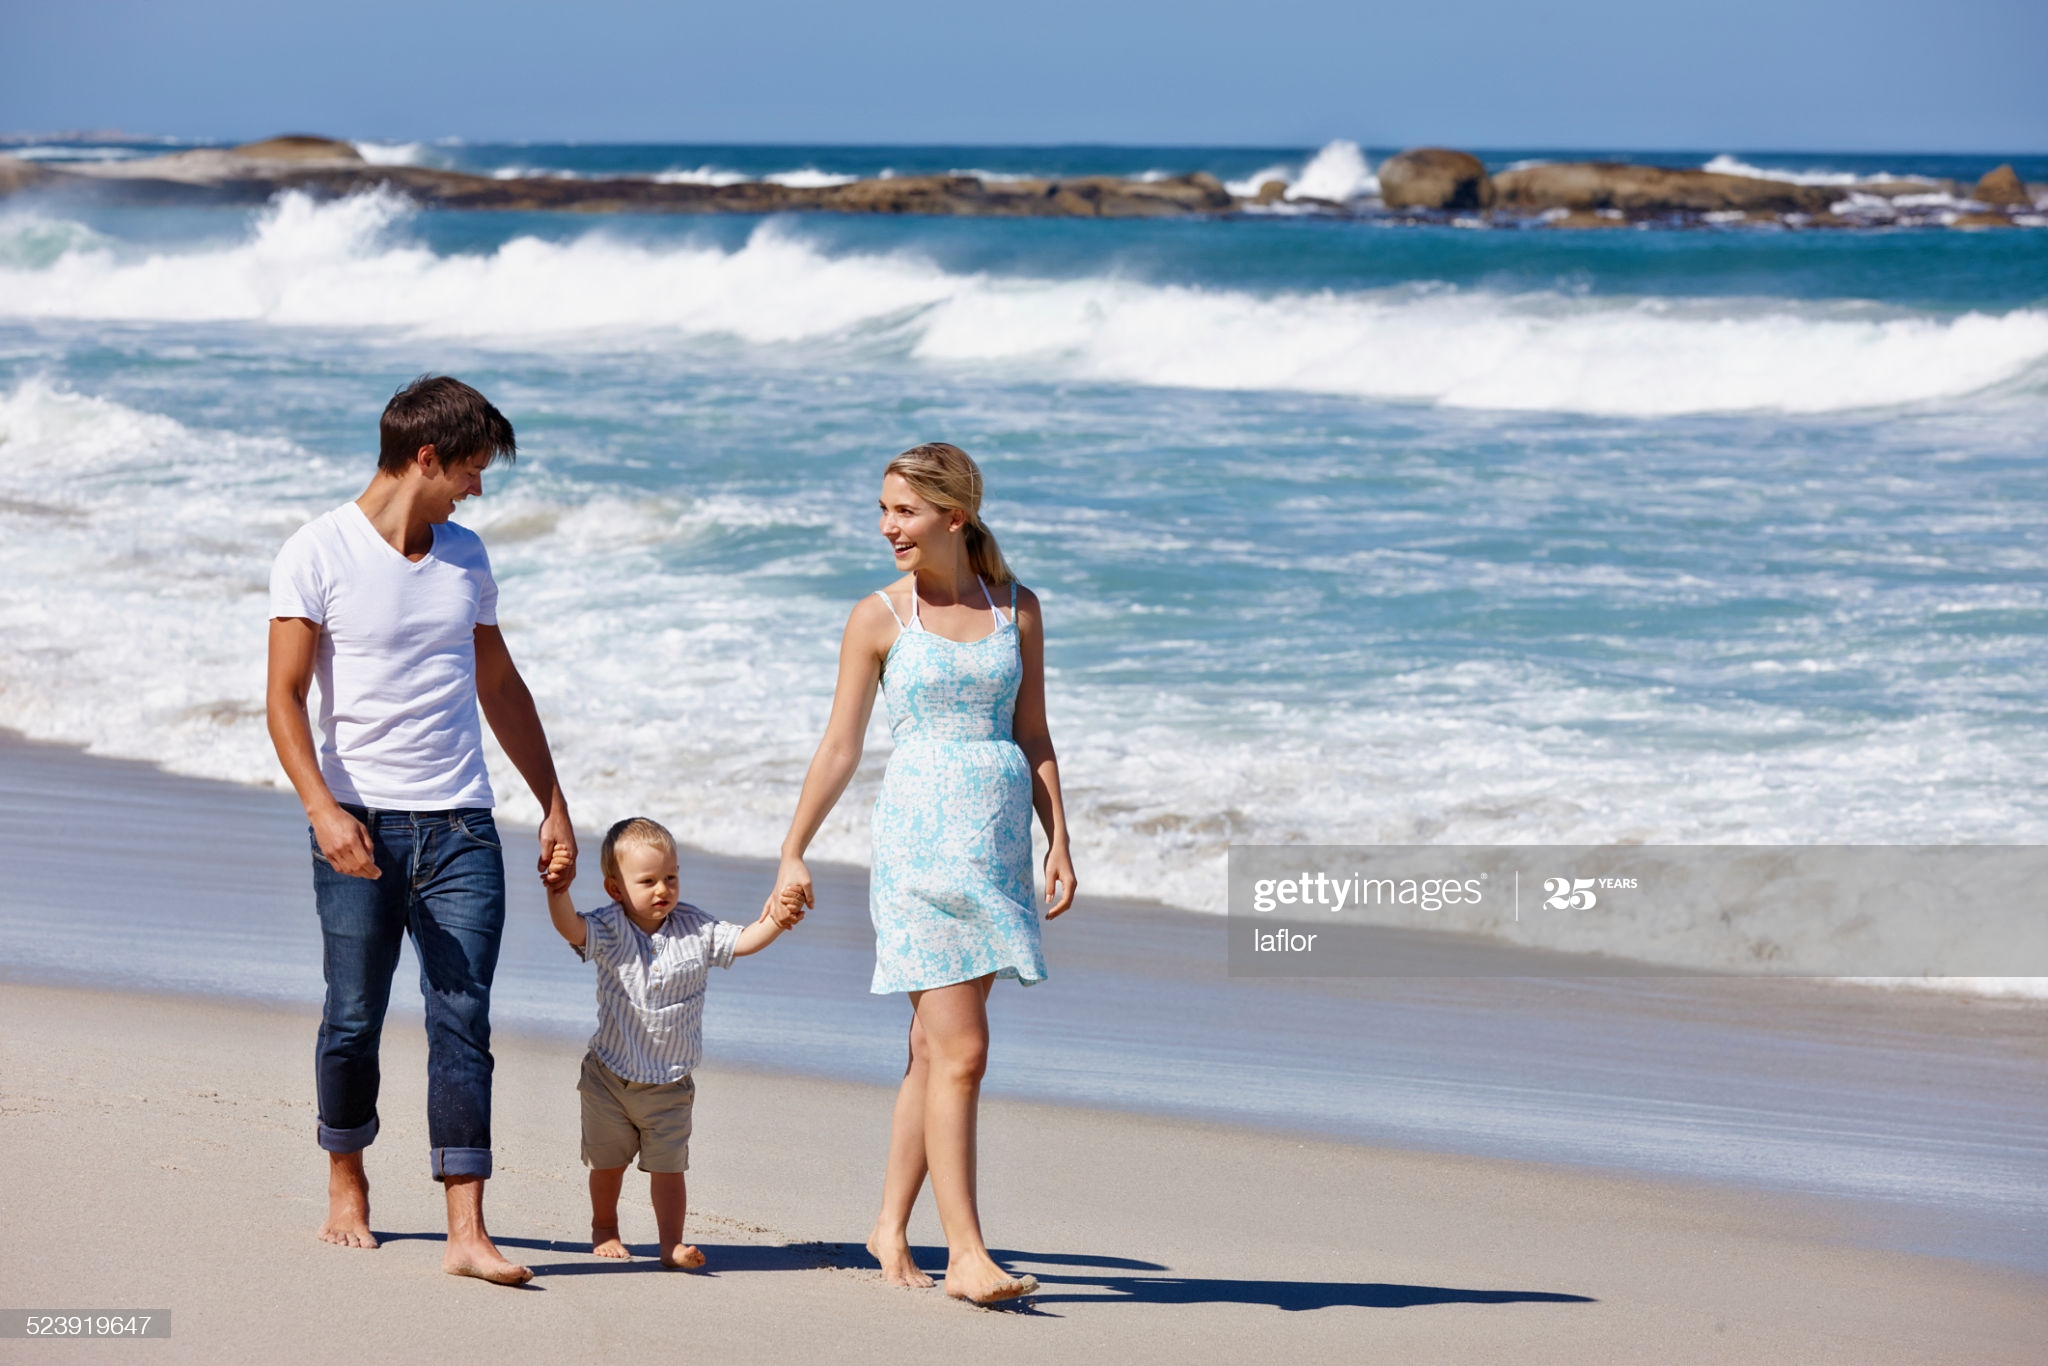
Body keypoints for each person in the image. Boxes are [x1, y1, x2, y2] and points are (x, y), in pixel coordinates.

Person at [265, 374, 576, 1286]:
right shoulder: (315, 552)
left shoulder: (468, 557)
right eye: (472, 470)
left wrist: (552, 798)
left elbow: (500, 685)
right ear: (427, 457)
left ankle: (468, 1229)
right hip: (358, 824)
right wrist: (323, 810)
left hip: (462, 828)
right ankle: (346, 1178)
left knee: (463, 1019)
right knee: (353, 1017)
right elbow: (283, 698)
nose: (477, 490)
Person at [773, 441, 1078, 1305]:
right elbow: (840, 747)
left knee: (931, 1050)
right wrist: (794, 846)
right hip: (918, 852)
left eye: (902, 511)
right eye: (882, 510)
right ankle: (969, 1253)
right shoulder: (879, 618)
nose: (886, 527)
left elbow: (1035, 735)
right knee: (965, 1053)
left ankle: (888, 1227)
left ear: (955, 513)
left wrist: (1060, 839)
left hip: (997, 854)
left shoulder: (1019, 609)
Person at [543, 818, 804, 1268]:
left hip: (669, 1086)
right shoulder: (606, 929)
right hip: (609, 1078)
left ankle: (671, 1245)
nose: (663, 888)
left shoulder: (694, 928)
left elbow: (741, 941)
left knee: (669, 1170)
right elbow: (569, 928)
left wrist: (776, 921)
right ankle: (604, 1226)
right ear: (615, 888)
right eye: (647, 881)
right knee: (607, 1166)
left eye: (671, 877)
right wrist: (557, 890)